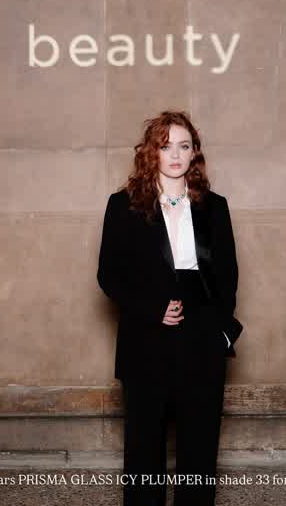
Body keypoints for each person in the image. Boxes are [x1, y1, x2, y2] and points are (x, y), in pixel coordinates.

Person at [97, 110, 243, 506]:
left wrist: (220, 334)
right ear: (152, 152)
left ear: (194, 152)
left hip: (202, 340)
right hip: (146, 338)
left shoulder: (215, 207)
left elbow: (227, 278)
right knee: (144, 449)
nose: (175, 155)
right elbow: (109, 275)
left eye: (184, 146)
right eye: (166, 147)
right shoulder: (123, 205)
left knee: (199, 450)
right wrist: (152, 309)